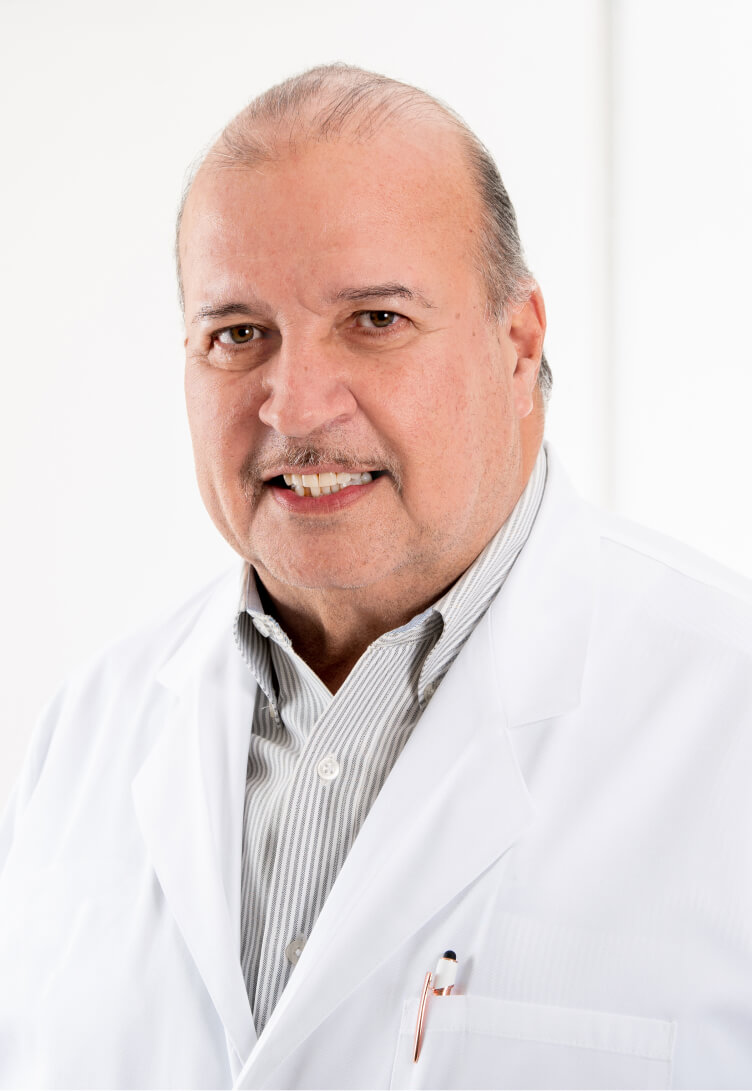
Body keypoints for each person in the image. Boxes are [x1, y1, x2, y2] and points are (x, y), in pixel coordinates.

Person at [1, 63, 751, 1091]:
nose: (297, 406)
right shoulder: (85, 733)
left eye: (375, 320)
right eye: (237, 334)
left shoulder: (727, 713)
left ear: (517, 344)